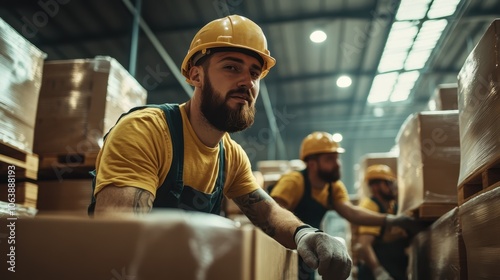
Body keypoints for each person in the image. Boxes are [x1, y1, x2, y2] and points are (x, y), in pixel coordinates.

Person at [89, 15, 352, 279]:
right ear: (196, 74)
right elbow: (117, 242)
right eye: (231, 68)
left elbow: (268, 212)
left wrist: (305, 233)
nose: (247, 82)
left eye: (254, 73)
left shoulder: (231, 156)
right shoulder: (147, 130)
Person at [269, 132, 421, 280]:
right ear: (312, 163)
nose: (337, 164)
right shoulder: (294, 181)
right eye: (330, 159)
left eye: (337, 158)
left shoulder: (333, 187)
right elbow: (274, 213)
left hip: (307, 250)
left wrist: (391, 220)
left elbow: (352, 213)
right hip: (284, 249)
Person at [356, 165, 409, 280]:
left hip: (395, 271)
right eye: (388, 183)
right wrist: (379, 272)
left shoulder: (393, 206)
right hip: (376, 275)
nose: (392, 187)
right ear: (375, 187)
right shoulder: (370, 206)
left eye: (392, 183)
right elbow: (365, 245)